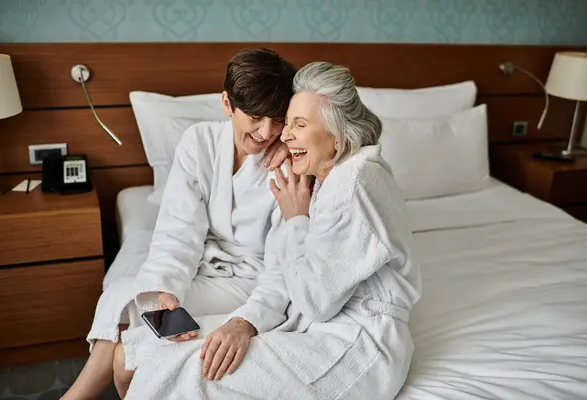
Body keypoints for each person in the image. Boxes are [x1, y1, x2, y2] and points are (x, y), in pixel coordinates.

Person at [115, 61, 422, 400]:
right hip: (320, 328)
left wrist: (296, 221)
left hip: (358, 347)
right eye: (286, 123)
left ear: (336, 135)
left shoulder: (353, 182)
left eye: (297, 124)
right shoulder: (330, 176)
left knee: (189, 369)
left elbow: (315, 301)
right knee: (146, 350)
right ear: (227, 105)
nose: (282, 136)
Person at [62, 48, 297, 400]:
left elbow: (285, 258)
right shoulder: (199, 142)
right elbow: (177, 233)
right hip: (205, 263)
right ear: (226, 104)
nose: (267, 132)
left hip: (251, 279)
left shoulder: (290, 163)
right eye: (256, 117)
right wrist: (164, 289)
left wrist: (248, 321)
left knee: (127, 334)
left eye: (278, 119)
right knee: (127, 298)